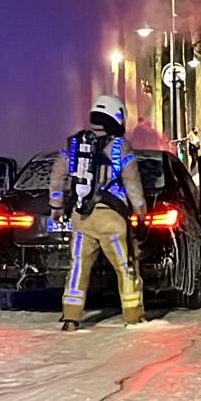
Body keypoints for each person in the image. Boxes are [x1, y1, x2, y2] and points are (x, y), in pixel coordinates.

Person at [49, 95, 148, 332]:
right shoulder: (120, 147)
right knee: (125, 267)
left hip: (81, 217)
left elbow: (56, 176)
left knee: (78, 268)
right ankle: (133, 316)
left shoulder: (74, 144)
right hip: (112, 219)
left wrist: (56, 207)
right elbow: (133, 183)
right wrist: (141, 212)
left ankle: (71, 318)